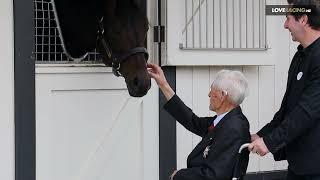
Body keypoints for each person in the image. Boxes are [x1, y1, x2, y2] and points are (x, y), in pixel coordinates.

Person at [248, 0, 320, 179]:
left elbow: (306, 111)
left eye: (288, 18)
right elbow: (287, 109)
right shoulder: (300, 55)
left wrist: (269, 142)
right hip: (299, 163)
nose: (285, 25)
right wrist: (261, 135)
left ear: (303, 19)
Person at [147, 63, 250, 180]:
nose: (209, 94)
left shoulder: (234, 128)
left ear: (222, 95)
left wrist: (180, 175)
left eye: (212, 91)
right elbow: (192, 121)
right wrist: (163, 84)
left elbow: (215, 175)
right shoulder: (227, 120)